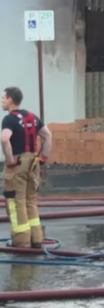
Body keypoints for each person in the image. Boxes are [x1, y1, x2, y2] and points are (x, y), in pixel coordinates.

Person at [1, 87, 52, 248]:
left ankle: (21, 241)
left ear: (10, 100)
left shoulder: (9, 119)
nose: (2, 101)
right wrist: (42, 158)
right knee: (31, 201)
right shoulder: (33, 117)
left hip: (17, 164)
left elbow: (4, 139)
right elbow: (48, 136)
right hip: (33, 163)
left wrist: (9, 161)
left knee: (17, 202)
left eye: (3, 98)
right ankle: (36, 240)